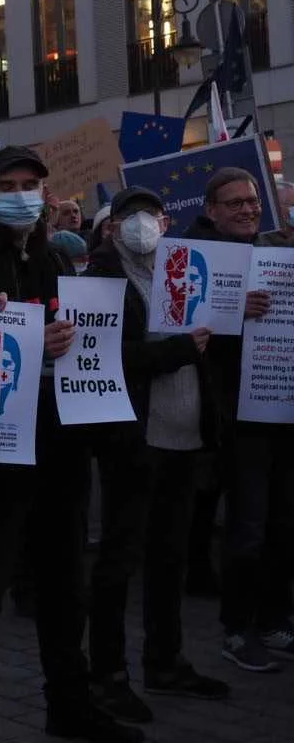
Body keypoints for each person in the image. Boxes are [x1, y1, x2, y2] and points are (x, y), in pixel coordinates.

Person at [0, 145, 141, 743]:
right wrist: (29, 339)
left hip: (58, 444)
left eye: (31, 183)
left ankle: (69, 702)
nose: (21, 193)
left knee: (64, 588)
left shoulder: (51, 258)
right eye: (8, 184)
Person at [84, 187, 228, 725]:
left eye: (152, 215)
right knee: (120, 561)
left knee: (169, 557)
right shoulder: (99, 281)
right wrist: (176, 350)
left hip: (184, 436)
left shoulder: (185, 268)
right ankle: (108, 674)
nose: (143, 224)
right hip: (135, 441)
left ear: (168, 223)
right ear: (112, 226)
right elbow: (100, 358)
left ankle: (166, 661)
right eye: (130, 216)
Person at [185, 167, 294, 672]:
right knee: (246, 527)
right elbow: (179, 319)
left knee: (282, 524)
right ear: (211, 209)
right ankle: (236, 629)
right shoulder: (194, 254)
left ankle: (274, 621)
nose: (247, 209)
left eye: (252, 201)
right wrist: (232, 309)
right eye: (234, 203)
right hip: (237, 415)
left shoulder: (274, 248)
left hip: (282, 405)